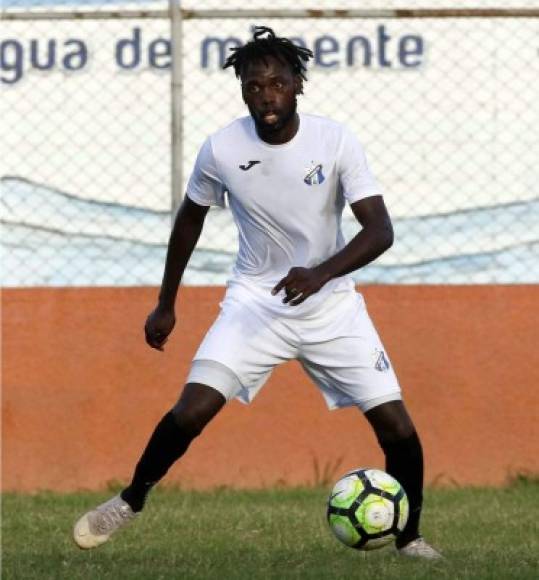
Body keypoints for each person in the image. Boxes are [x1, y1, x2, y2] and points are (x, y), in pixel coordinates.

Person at [73, 26, 441, 560]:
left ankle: (409, 537)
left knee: (396, 425)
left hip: (332, 306)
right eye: (253, 86)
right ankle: (130, 500)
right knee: (191, 410)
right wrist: (166, 302)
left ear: (297, 84)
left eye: (276, 83)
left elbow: (379, 230)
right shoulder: (221, 148)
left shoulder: (334, 140)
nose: (266, 95)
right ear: (242, 90)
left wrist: (319, 274)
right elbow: (189, 221)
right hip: (255, 304)